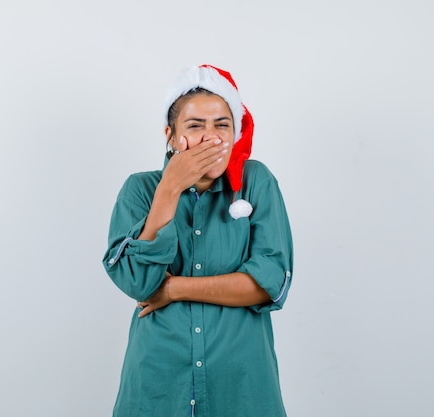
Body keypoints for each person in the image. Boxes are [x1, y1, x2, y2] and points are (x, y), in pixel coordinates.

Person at [102, 64, 294, 417]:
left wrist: (175, 290)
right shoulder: (139, 190)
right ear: (171, 136)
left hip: (243, 389)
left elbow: (267, 285)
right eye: (195, 126)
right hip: (158, 387)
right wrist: (170, 188)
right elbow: (138, 283)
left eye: (222, 125)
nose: (211, 138)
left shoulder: (257, 182)